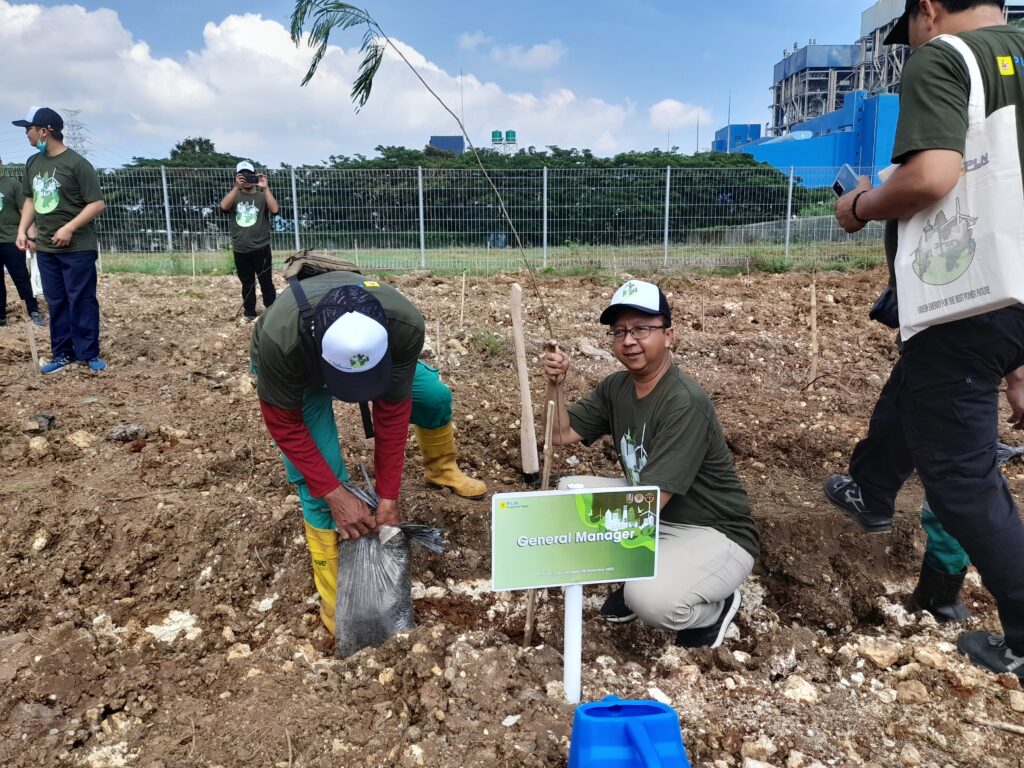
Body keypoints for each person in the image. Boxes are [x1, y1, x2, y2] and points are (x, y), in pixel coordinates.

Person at [830, 0, 1024, 680]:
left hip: (969, 299)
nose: (910, 43)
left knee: (961, 473)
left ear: (930, 10)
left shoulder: (948, 57)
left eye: (908, 29)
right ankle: (871, 492)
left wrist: (857, 206)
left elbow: (933, 178)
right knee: (921, 391)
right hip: (1011, 300)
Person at [250, 270, 485, 635]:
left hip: (374, 356)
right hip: (299, 370)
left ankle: (441, 468)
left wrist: (388, 495)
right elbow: (285, 426)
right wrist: (335, 493)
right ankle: (340, 616)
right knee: (320, 485)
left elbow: (392, 413)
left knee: (435, 397)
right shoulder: (280, 343)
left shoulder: (403, 326)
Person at [541, 280, 759, 648]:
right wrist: (556, 385)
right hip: (656, 516)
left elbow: (649, 503)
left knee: (651, 601)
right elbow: (558, 433)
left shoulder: (683, 403)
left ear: (669, 336)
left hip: (712, 532)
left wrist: (578, 538)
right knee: (568, 493)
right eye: (620, 331)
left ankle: (715, 609)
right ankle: (636, 576)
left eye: (642, 328)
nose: (629, 340)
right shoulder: (616, 388)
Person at [12, 107, 105, 372]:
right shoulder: (33, 163)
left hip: (78, 248)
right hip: (46, 248)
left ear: (45, 130)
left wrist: (69, 228)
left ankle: (88, 353)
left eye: (28, 129)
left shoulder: (77, 164)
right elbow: (30, 199)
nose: (27, 135)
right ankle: (62, 353)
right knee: (56, 301)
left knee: (81, 299)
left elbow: (97, 203)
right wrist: (23, 230)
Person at [220, 161, 278, 320]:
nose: (246, 179)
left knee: (266, 282)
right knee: (247, 284)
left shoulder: (262, 196)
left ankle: (272, 313)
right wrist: (235, 188)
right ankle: (250, 313)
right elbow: (224, 207)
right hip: (240, 249)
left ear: (255, 175)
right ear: (237, 177)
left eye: (249, 175)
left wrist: (265, 188)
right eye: (242, 175)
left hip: (261, 247)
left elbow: (275, 210)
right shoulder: (234, 196)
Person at [0, 155, 43, 328]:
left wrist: (31, 237)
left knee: (21, 276)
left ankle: (33, 311)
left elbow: (26, 211)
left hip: (12, 239)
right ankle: (1, 316)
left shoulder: (13, 185)